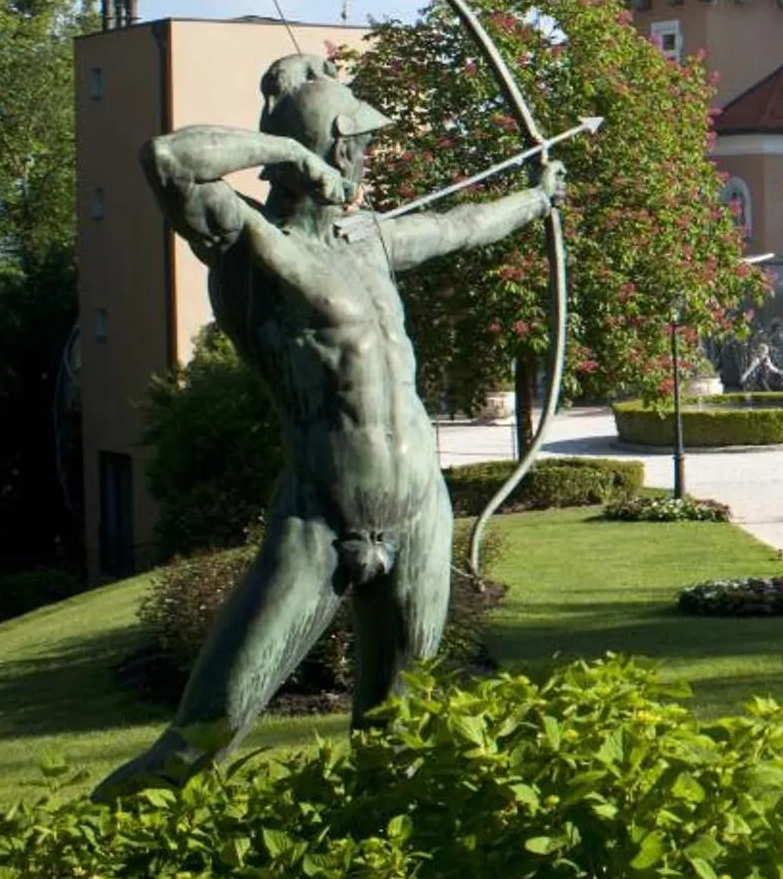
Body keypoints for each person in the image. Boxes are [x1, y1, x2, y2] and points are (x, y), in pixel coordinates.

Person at [94, 53, 562, 798]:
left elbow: (465, 225)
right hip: (320, 517)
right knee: (202, 734)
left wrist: (538, 200)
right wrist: (286, 152)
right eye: (360, 142)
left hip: (418, 510)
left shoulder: (371, 240)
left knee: (400, 730)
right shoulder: (251, 246)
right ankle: (88, 875)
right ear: (333, 147)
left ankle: (379, 878)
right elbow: (168, 159)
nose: (369, 155)